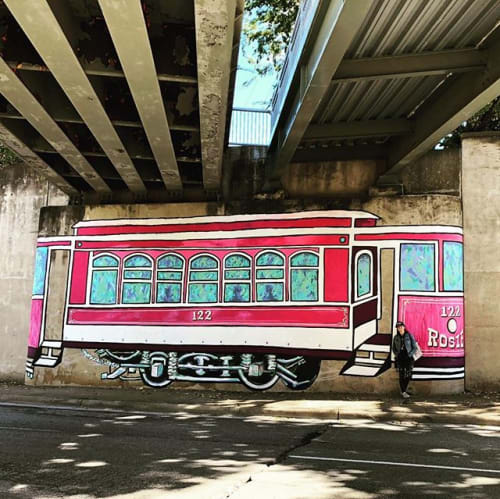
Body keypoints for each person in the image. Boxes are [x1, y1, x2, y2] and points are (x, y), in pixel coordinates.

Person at [392, 321, 418, 399]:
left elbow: (415, 347)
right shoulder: (396, 337)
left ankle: (404, 390)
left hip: (408, 358)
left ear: (404, 327)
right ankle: (403, 391)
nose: (400, 328)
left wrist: (409, 355)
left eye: (401, 327)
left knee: (408, 375)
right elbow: (393, 348)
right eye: (398, 327)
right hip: (400, 358)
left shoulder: (409, 335)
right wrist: (397, 354)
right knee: (401, 375)